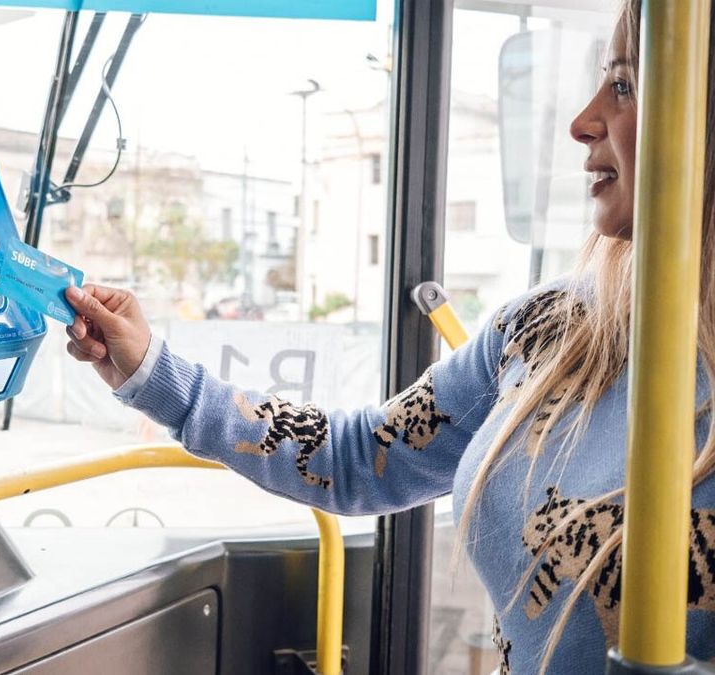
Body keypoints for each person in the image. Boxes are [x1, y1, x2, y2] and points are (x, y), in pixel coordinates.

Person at [61, 2, 715, 673]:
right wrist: (151, 372)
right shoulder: (545, 327)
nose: (583, 122)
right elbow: (357, 455)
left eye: (627, 85)